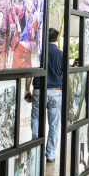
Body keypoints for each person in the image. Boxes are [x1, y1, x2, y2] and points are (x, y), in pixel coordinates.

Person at [25, 28, 63, 163]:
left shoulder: (39, 53)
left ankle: (36, 149)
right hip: (56, 92)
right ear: (57, 38)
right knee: (54, 124)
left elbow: (30, 72)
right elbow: (64, 75)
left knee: (36, 118)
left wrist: (27, 89)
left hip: (39, 90)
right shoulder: (61, 54)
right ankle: (50, 154)